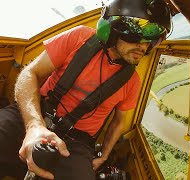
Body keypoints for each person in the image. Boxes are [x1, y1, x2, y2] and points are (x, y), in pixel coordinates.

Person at [0, 0, 172, 179]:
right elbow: (30, 74)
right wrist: (34, 125)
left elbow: (118, 122)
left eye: (151, 40)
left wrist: (103, 156)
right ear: (113, 30)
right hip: (36, 114)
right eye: (135, 36)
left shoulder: (132, 82)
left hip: (76, 143)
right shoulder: (79, 37)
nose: (143, 46)